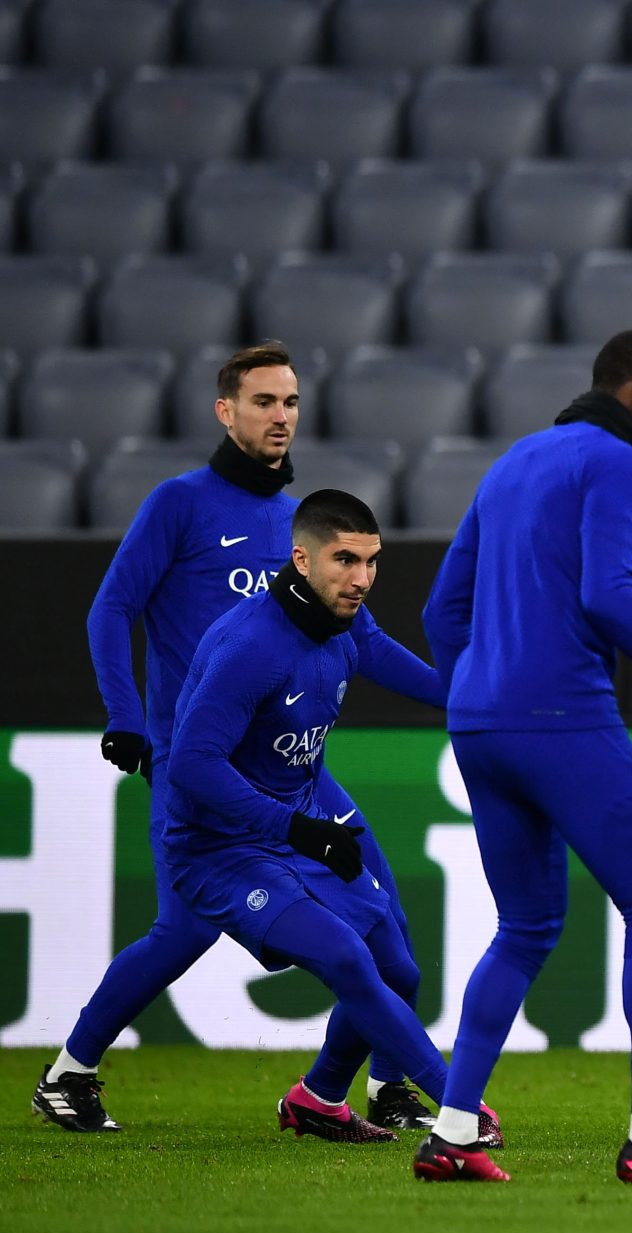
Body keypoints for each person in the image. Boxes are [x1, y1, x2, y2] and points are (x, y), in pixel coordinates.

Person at [34, 342, 450, 1141]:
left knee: (386, 925)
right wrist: (124, 714)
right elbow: (111, 608)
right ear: (226, 411)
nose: (281, 416)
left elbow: (364, 638)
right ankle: (70, 1070)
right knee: (184, 930)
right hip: (198, 760)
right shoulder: (179, 504)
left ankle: (380, 1086)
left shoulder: (304, 526)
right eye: (263, 401)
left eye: (290, 401)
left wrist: (463, 695)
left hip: (293, 769)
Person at [418, 329, 632, 1185]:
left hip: (479, 726)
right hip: (561, 713)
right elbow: (606, 594)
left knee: (524, 927)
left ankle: (452, 1130)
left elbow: (441, 610)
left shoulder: (511, 464)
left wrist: (475, 694)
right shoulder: (618, 463)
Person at [160, 490, 493, 1147]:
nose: (362, 578)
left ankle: (319, 1098)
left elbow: (386, 656)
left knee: (398, 970)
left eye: (371, 561)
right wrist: (298, 829)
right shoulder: (250, 645)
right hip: (220, 850)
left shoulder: (344, 623)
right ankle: (462, 1107)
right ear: (301, 558)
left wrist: (476, 695)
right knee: (346, 956)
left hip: (298, 827)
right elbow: (192, 765)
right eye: (345, 560)